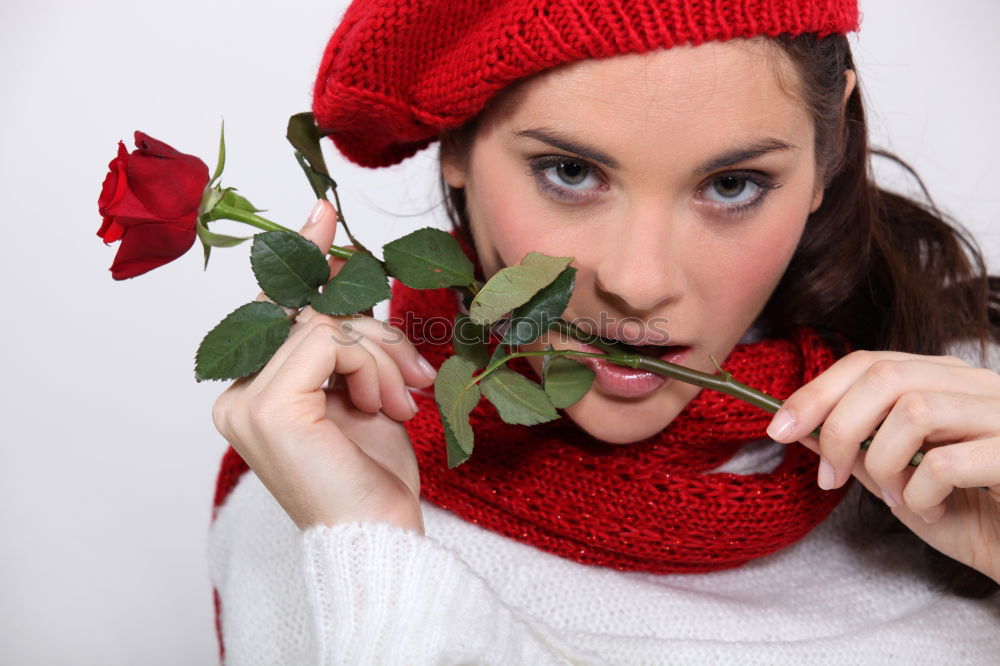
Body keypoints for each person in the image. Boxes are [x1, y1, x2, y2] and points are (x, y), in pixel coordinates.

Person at [207, 0, 1000, 663]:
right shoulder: (316, 508)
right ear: (456, 146)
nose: (640, 281)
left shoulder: (967, 423)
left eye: (732, 184)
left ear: (828, 154)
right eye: (572, 173)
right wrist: (375, 547)